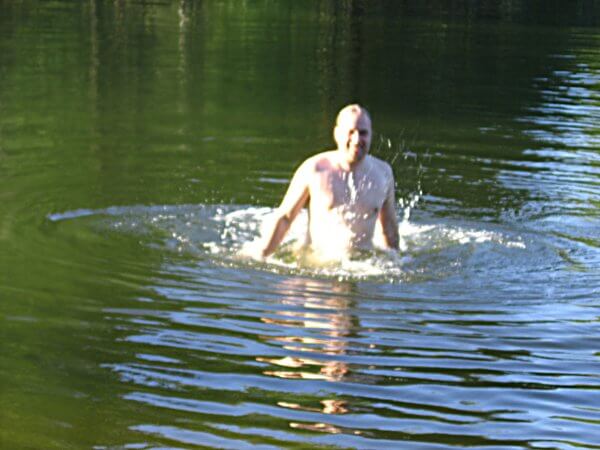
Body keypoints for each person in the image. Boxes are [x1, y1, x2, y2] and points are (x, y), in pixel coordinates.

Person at [259, 104, 399, 260]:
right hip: (317, 263)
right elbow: (285, 217)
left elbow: (389, 228)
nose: (357, 139)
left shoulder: (383, 173)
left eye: (363, 133)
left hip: (363, 265)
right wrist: (261, 256)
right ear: (337, 134)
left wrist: (397, 263)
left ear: (371, 134)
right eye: (350, 132)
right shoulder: (315, 169)